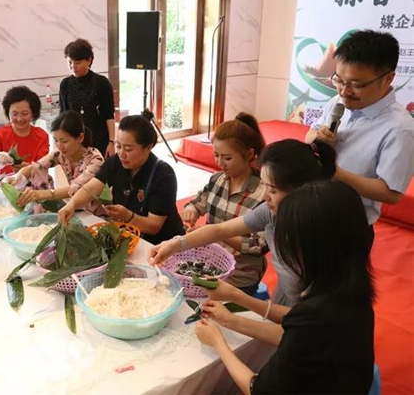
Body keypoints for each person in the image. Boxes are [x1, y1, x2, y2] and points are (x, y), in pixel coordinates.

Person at [194, 180, 375, 395]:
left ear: (311, 248)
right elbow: (296, 331)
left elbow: (257, 389)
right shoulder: (348, 287)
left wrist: (217, 343)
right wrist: (233, 308)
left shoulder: (318, 311)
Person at [150, 139, 337, 307]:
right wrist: (175, 244)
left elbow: (301, 319)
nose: (265, 197)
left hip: (303, 311)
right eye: (265, 186)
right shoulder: (271, 212)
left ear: (301, 190)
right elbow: (219, 230)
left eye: (272, 190)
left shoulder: (316, 238)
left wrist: (236, 300)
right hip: (285, 298)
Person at [305, 30, 414, 247]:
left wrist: (335, 173)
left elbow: (391, 193)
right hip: (312, 211)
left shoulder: (401, 129)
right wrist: (317, 138)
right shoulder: (338, 101)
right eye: (339, 80)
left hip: (348, 229)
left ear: (388, 78)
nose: (344, 91)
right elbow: (310, 133)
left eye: (357, 85)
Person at [58, 111, 184, 244]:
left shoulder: (164, 175)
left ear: (148, 147)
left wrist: (128, 216)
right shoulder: (115, 162)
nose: (122, 154)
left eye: (128, 149)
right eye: (118, 146)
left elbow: (154, 226)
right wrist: (71, 205)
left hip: (163, 244)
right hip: (131, 237)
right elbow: (92, 187)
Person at [182, 113, 267, 295]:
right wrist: (191, 210)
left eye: (227, 158)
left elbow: (258, 246)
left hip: (241, 274)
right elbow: (197, 203)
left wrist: (215, 232)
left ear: (249, 154)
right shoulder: (217, 180)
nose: (220, 163)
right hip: (210, 264)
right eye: (216, 155)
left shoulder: (264, 193)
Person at [5, 110, 104, 211]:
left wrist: (42, 194)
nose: (59, 146)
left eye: (64, 141)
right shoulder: (59, 154)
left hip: (96, 212)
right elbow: (36, 167)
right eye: (56, 140)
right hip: (75, 209)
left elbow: (76, 187)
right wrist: (16, 178)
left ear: (80, 138)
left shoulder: (95, 160)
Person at [59, 39, 116, 157]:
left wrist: (111, 142)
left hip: (98, 138)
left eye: (77, 62)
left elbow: (109, 115)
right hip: (74, 141)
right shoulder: (65, 84)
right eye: (69, 62)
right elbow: (63, 114)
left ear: (89, 60)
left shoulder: (101, 83)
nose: (73, 67)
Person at [0, 86, 49, 174]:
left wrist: (29, 168)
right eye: (15, 114)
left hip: (34, 181)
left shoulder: (41, 135)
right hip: (7, 181)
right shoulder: (0, 134)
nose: (19, 119)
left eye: (25, 113)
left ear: (33, 113)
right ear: (8, 114)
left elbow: (43, 166)